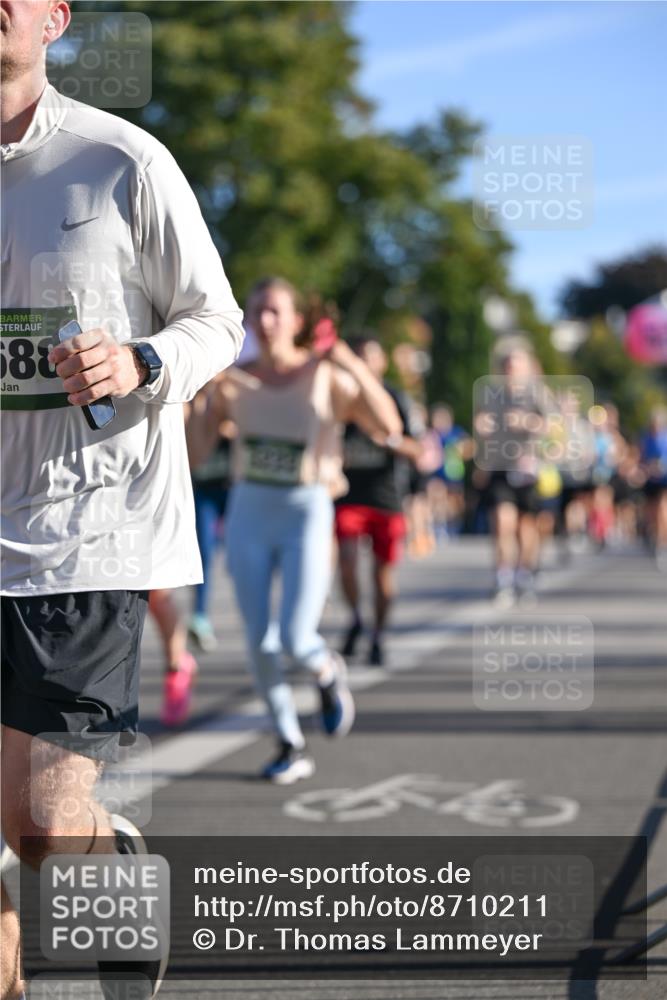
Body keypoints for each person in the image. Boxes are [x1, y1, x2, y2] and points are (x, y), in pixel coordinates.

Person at [0, 4, 244, 998]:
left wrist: (141, 359)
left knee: (45, 828)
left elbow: (217, 322)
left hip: (86, 535)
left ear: (55, 17)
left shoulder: (121, 161)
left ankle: (117, 865)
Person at [187, 279, 402, 783]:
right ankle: (288, 741)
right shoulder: (234, 381)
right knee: (260, 642)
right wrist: (201, 393)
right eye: (257, 312)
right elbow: (196, 455)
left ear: (297, 321)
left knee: (295, 636)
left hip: (307, 508)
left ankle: (326, 670)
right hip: (249, 510)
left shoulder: (325, 375)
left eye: (275, 312)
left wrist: (348, 361)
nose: (264, 322)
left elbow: (388, 426)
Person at [334, 336, 423, 665]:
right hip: (348, 496)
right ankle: (357, 617)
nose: (363, 365)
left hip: (386, 498)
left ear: (381, 363)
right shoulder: (340, 397)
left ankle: (379, 634)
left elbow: (419, 450)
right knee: (346, 560)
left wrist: (388, 440)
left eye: (369, 358)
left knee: (382, 576)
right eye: (356, 358)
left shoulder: (395, 399)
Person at [475, 340, 553, 606]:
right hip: (499, 466)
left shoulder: (536, 393)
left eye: (516, 364)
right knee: (501, 521)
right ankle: (502, 578)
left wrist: (527, 421)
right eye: (507, 364)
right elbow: (480, 425)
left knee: (526, 529)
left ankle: (524, 572)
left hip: (527, 469)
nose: (511, 368)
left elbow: (552, 426)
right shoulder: (491, 394)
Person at [640, 406, 667, 567]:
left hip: (664, 479)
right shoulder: (646, 439)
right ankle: (655, 538)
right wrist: (646, 468)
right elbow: (641, 459)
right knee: (651, 513)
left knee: (662, 509)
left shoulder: (665, 439)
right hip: (651, 480)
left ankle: (662, 543)